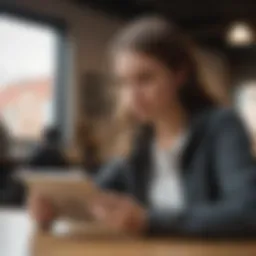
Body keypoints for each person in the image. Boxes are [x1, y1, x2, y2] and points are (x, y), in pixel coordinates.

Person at [29, 17, 256, 237]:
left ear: (180, 74)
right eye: (123, 83)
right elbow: (95, 197)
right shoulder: (138, 140)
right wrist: (57, 207)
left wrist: (148, 220)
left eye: (145, 79)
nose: (132, 97)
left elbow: (248, 212)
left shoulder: (221, 125)